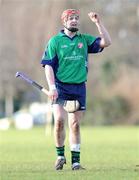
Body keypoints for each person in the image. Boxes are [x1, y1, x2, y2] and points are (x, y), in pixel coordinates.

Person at [41, 9, 111, 170]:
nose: (74, 21)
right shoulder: (55, 41)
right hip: (60, 87)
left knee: (75, 124)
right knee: (59, 121)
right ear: (64, 21)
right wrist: (52, 88)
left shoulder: (84, 40)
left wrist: (98, 23)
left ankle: (76, 162)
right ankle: (60, 156)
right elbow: (48, 66)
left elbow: (106, 42)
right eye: (71, 18)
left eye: (76, 18)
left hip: (79, 87)